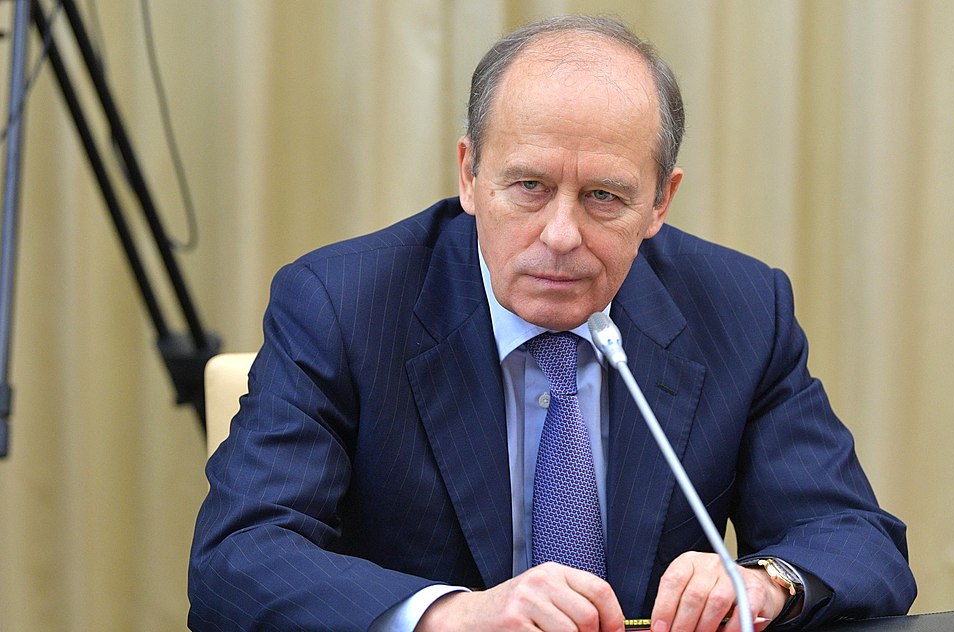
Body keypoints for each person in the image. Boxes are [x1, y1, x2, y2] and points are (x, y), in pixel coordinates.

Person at [189, 15, 916, 632]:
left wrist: (765, 583)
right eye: (530, 187)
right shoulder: (343, 303)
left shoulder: (740, 309)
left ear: (661, 202)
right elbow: (239, 556)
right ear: (470, 175)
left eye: (604, 196)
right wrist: (451, 616)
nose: (561, 235)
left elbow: (856, 540)